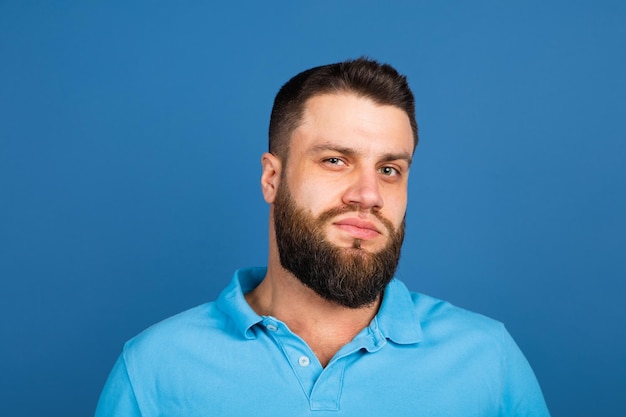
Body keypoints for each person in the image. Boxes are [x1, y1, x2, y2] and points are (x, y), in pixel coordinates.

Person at [95, 58, 550, 416]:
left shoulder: (488, 360)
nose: (369, 195)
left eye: (389, 170)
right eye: (335, 160)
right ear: (271, 178)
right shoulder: (154, 368)